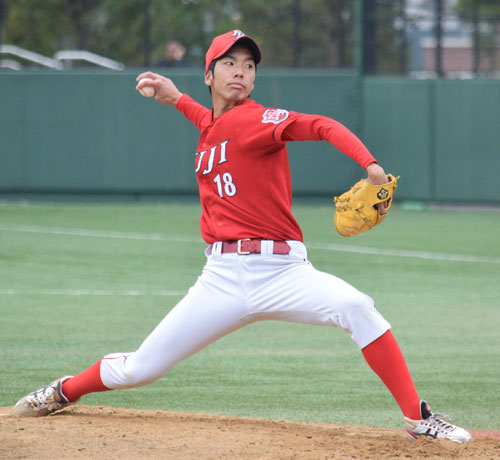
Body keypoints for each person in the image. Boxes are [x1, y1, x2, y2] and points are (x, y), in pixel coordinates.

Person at [11, 30, 471, 444]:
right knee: (141, 368)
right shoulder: (214, 127)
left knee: (357, 307)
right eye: (230, 63)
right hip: (222, 279)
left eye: (249, 66)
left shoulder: (256, 119)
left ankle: (418, 418)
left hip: (284, 271)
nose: (242, 72)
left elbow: (321, 125)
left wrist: (370, 166)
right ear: (209, 74)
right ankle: (62, 390)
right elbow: (211, 126)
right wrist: (176, 99)